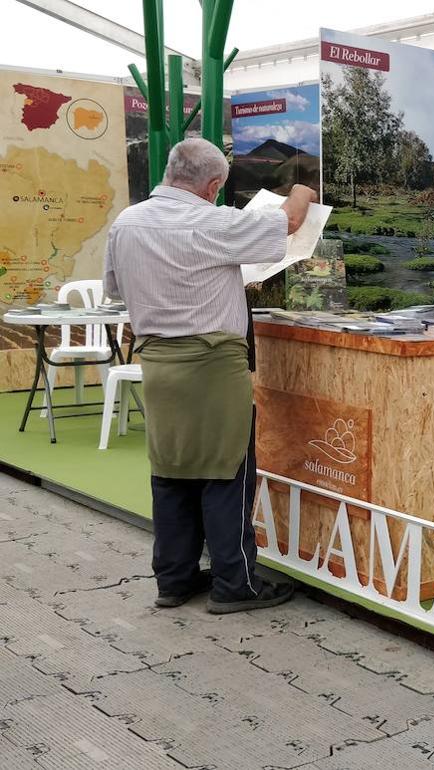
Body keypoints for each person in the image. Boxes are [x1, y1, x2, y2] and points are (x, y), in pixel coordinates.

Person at [103, 138, 317, 614]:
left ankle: (175, 579)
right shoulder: (212, 219)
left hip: (157, 361)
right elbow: (291, 221)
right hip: (213, 363)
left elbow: (116, 288)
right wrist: (302, 189)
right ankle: (235, 583)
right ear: (213, 186)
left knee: (171, 469)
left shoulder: (127, 222)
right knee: (228, 471)